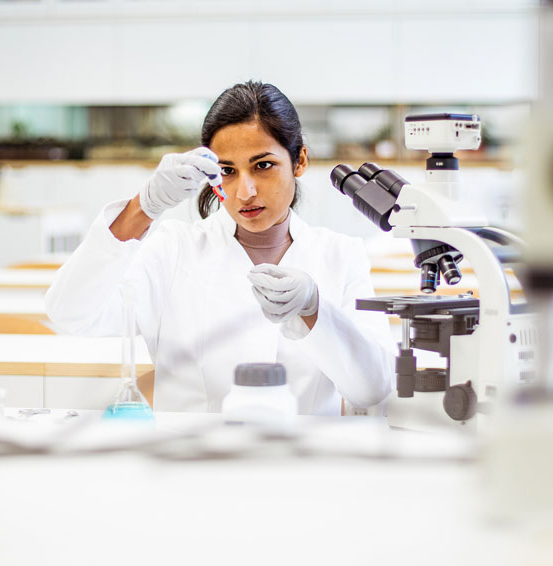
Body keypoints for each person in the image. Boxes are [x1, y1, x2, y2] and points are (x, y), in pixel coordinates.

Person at [45, 81, 393, 414]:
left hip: (301, 463)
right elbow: (70, 316)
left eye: (263, 166)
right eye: (227, 170)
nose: (245, 192)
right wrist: (143, 208)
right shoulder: (174, 249)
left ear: (299, 161)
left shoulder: (341, 256)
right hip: (189, 461)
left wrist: (315, 309)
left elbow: (372, 388)